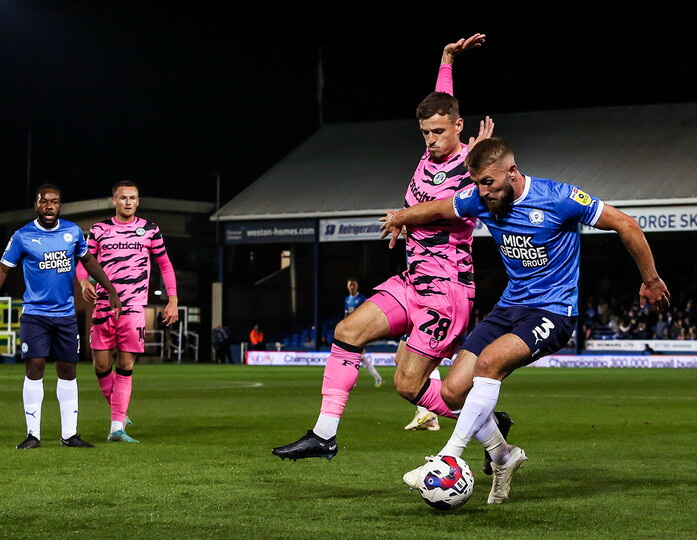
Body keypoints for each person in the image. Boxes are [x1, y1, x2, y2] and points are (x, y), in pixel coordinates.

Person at [385, 137, 670, 503]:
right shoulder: (481, 198)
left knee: (489, 364)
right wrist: (400, 217)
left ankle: (447, 457)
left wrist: (650, 279)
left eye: (488, 182)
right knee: (453, 391)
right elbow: (439, 207)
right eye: (477, 184)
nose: (481, 192)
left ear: (512, 172)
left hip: (553, 311)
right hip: (509, 308)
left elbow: (626, 224)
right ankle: (504, 456)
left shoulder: (560, 198)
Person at [272, 33, 507, 463]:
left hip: (448, 293)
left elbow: (449, 209)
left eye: (438, 132)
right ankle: (324, 434)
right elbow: (444, 100)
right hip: (414, 280)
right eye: (424, 133)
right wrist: (447, 60)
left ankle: (491, 432)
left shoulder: (472, 168)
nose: (430, 140)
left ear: (459, 128)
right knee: (347, 332)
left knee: (407, 385)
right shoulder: (430, 154)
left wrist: (404, 216)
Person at [0, 184, 122, 450]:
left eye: (55, 201)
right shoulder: (23, 236)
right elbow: (3, 271)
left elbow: (89, 262)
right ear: (36, 205)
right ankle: (33, 435)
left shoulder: (72, 232)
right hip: (36, 315)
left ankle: (70, 435)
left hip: (65, 315)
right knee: (36, 367)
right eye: (44, 201)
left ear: (60, 205)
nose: (49, 206)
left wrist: (110, 288)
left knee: (68, 369)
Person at [76, 180, 179, 443]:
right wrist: (84, 281)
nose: (128, 202)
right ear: (114, 201)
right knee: (100, 365)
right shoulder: (99, 229)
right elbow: (84, 260)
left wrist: (173, 300)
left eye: (133, 198)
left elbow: (165, 266)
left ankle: (116, 428)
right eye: (123, 198)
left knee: (125, 364)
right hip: (102, 304)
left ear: (138, 201)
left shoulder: (149, 230)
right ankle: (119, 413)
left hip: (134, 307)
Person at [344, 277, 384, 388]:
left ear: (357, 286)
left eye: (354, 285)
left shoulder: (362, 299)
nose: (352, 287)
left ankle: (353, 382)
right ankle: (378, 379)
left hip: (360, 331)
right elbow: (346, 316)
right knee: (358, 357)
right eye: (350, 285)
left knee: (354, 356)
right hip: (351, 332)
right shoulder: (347, 299)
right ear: (347, 287)